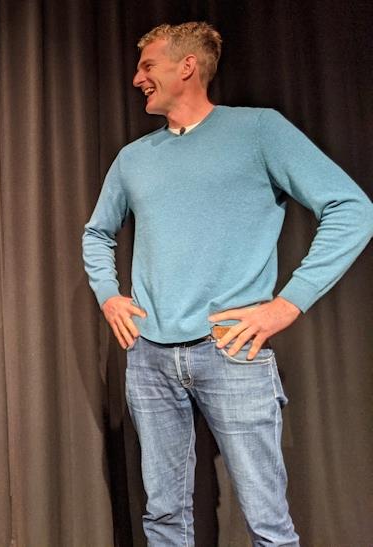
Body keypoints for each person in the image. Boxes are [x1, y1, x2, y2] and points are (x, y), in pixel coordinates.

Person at [82, 22, 372, 546]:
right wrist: (108, 295)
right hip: (149, 355)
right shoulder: (134, 158)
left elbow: (352, 209)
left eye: (148, 66)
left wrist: (287, 305)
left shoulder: (260, 130)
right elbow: (96, 233)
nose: (137, 78)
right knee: (164, 516)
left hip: (230, 349)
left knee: (267, 522)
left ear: (186, 66)